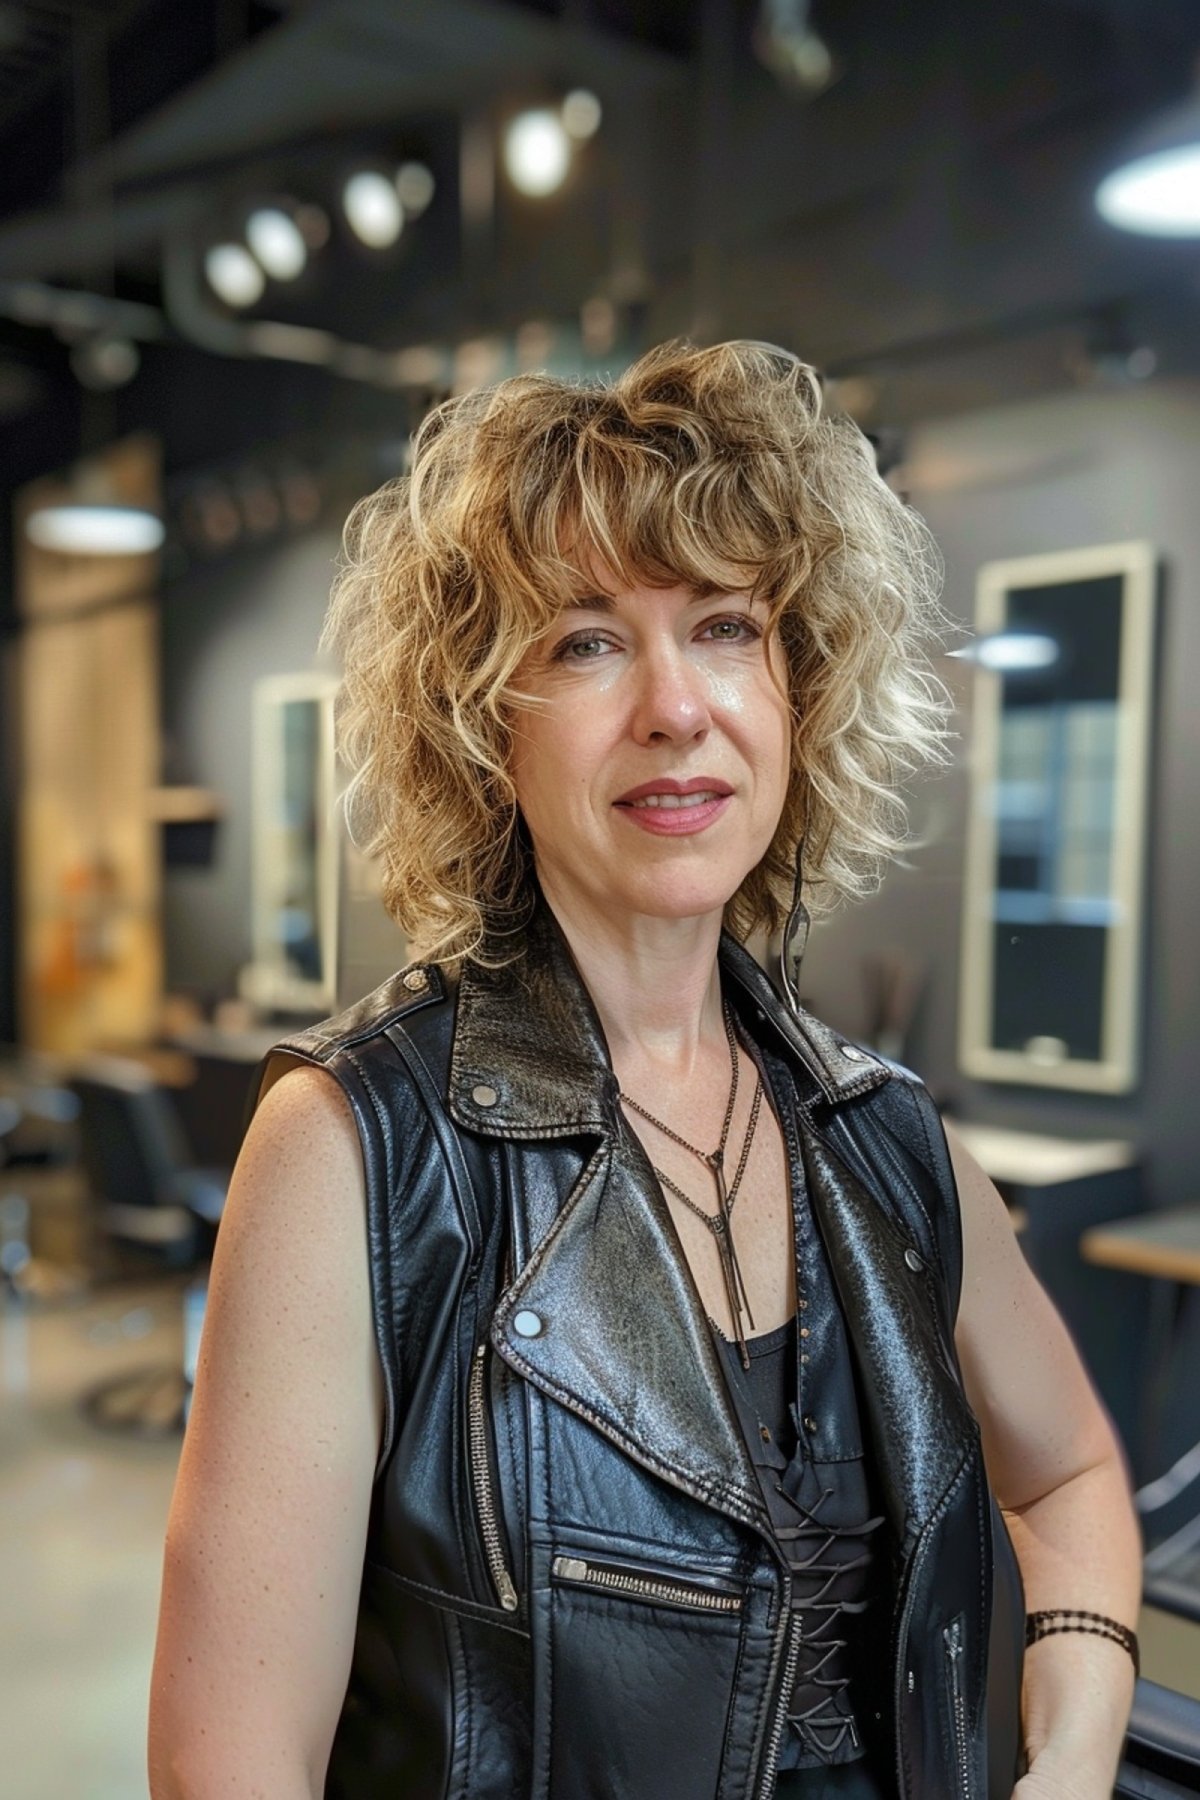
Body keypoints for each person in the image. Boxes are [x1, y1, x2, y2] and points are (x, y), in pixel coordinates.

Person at [149, 340, 1142, 1800]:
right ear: (488, 729)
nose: (677, 704)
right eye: (586, 640)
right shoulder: (357, 1152)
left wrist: (1073, 1743)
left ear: (799, 692)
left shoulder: (883, 1136)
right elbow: (230, 1772)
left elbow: (1067, 1479)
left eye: (729, 626)